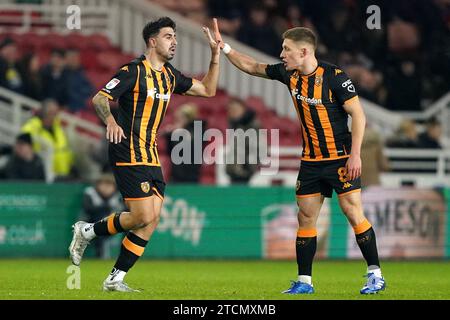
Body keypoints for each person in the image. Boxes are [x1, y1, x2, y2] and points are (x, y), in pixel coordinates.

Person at [214, 22, 385, 294]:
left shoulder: (335, 76)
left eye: (287, 49)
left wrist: (355, 155)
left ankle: (375, 274)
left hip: (340, 158)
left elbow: (359, 115)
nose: (282, 54)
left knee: (353, 212)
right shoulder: (288, 73)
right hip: (311, 161)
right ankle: (305, 282)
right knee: (305, 217)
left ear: (304, 51)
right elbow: (253, 67)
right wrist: (225, 48)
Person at [69, 16, 221, 292]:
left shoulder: (169, 75)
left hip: (150, 154)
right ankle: (86, 231)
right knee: (141, 215)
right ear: (152, 41)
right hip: (127, 149)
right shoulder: (133, 71)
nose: (174, 42)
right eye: (168, 36)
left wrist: (214, 56)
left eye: (175, 37)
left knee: (150, 220)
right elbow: (100, 98)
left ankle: (115, 278)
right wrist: (111, 122)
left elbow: (209, 90)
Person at [21, 99, 74, 181]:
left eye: (55, 113)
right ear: (43, 112)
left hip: (62, 174)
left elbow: (64, 148)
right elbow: (25, 140)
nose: (53, 116)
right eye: (51, 113)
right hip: (43, 174)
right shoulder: (33, 125)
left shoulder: (58, 127)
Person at [82, 173, 125, 259]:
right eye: (103, 184)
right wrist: (105, 207)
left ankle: (125, 254)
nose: (106, 188)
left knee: (128, 225)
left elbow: (125, 210)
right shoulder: (90, 192)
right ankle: (100, 254)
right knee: (100, 218)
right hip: (91, 225)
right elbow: (87, 209)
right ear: (98, 185)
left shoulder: (119, 195)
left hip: (113, 224)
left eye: (109, 185)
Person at [163, 103, 204, 183]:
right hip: (176, 174)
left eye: (179, 119)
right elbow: (170, 153)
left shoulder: (197, 130)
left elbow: (189, 148)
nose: (176, 122)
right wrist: (169, 136)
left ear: (187, 118)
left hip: (191, 174)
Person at [225, 97, 260, 184]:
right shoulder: (235, 124)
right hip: (235, 169)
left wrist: (247, 164)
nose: (233, 112)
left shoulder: (252, 125)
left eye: (235, 109)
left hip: (245, 168)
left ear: (243, 109)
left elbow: (257, 146)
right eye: (231, 109)